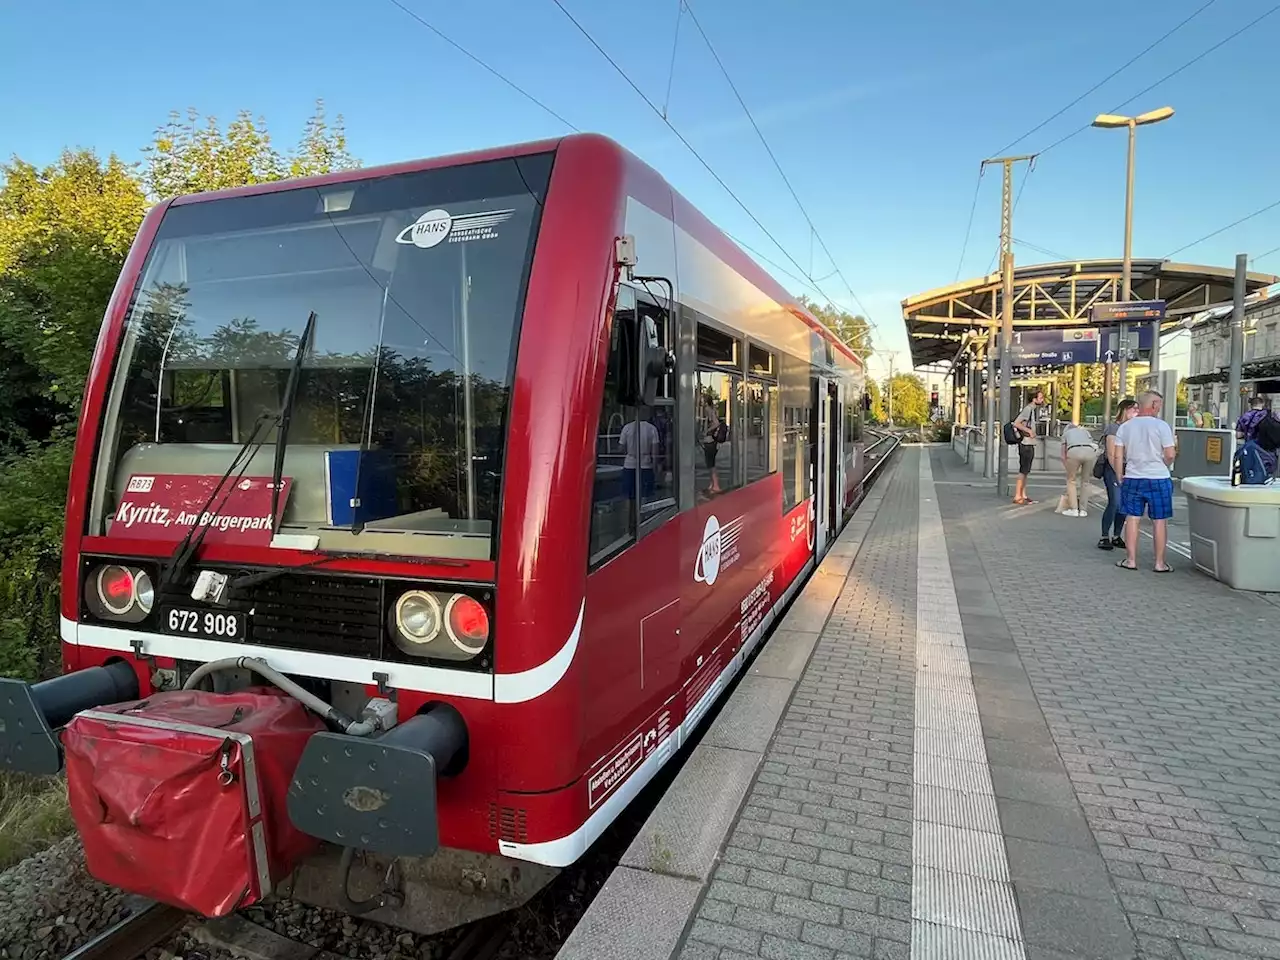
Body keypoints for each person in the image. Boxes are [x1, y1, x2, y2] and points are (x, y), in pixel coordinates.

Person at [1111, 390, 1176, 573]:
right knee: (1160, 520)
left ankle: (1130, 560)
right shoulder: (1162, 426)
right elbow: (1170, 454)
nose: (1160, 408)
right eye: (1159, 404)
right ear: (1154, 404)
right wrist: (1164, 464)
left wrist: (1119, 475)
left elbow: (1118, 455)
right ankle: (1159, 563)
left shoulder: (1125, 427)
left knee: (1132, 518)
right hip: (1159, 478)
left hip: (1132, 477)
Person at [1098, 399, 1137, 551]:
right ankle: (1104, 536)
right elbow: (1111, 453)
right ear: (1125, 410)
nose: (1136, 413)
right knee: (1114, 502)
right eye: (1133, 410)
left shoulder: (1133, 428)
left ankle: (1116, 535)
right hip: (1113, 469)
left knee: (1124, 505)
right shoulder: (1114, 428)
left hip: (1129, 468)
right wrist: (1118, 472)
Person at [1012, 389, 1046, 504]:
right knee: (1023, 470)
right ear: (1034, 399)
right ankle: (1017, 495)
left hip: (1029, 443)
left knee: (1026, 470)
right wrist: (1029, 431)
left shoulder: (1031, 410)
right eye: (1040, 398)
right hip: (1025, 443)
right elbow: (1016, 423)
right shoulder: (1028, 410)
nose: (1042, 400)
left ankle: (1023, 494)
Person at [1058, 421, 1097, 517]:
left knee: (1071, 480)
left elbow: (1063, 455)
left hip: (1074, 451)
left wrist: (1068, 468)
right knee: (1085, 481)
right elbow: (1092, 443)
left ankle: (1074, 509)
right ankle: (1083, 510)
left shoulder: (1066, 434)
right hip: (1089, 451)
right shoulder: (1085, 432)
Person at [619, 407, 659, 499]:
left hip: (629, 464)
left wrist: (628, 452)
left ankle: (630, 512)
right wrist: (655, 466)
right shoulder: (652, 429)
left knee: (629, 496)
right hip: (646, 465)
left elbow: (621, 448)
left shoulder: (627, 427)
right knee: (646, 495)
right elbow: (655, 451)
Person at [1235, 396, 1277, 477]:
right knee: (1266, 473)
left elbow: (1238, 435)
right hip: (1266, 450)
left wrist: (1247, 433)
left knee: (1251, 472)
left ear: (1251, 405)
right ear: (1262, 404)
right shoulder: (1267, 415)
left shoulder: (1245, 416)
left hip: (1250, 449)